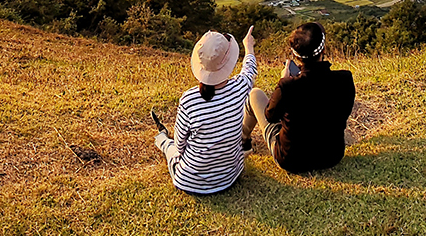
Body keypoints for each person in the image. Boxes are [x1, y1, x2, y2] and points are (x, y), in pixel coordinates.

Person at [152, 27, 258, 195]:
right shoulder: (240, 88)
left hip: (191, 181)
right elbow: (250, 70)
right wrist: (249, 46)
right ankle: (163, 140)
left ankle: (161, 139)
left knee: (170, 147)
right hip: (230, 177)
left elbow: (180, 146)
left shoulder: (189, 100)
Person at [244, 22, 356, 174]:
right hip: (332, 155)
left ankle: (243, 142)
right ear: (323, 50)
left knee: (254, 94)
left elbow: (270, 116)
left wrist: (282, 82)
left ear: (295, 55)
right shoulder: (345, 79)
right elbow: (344, 112)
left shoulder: (288, 86)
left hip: (291, 160)